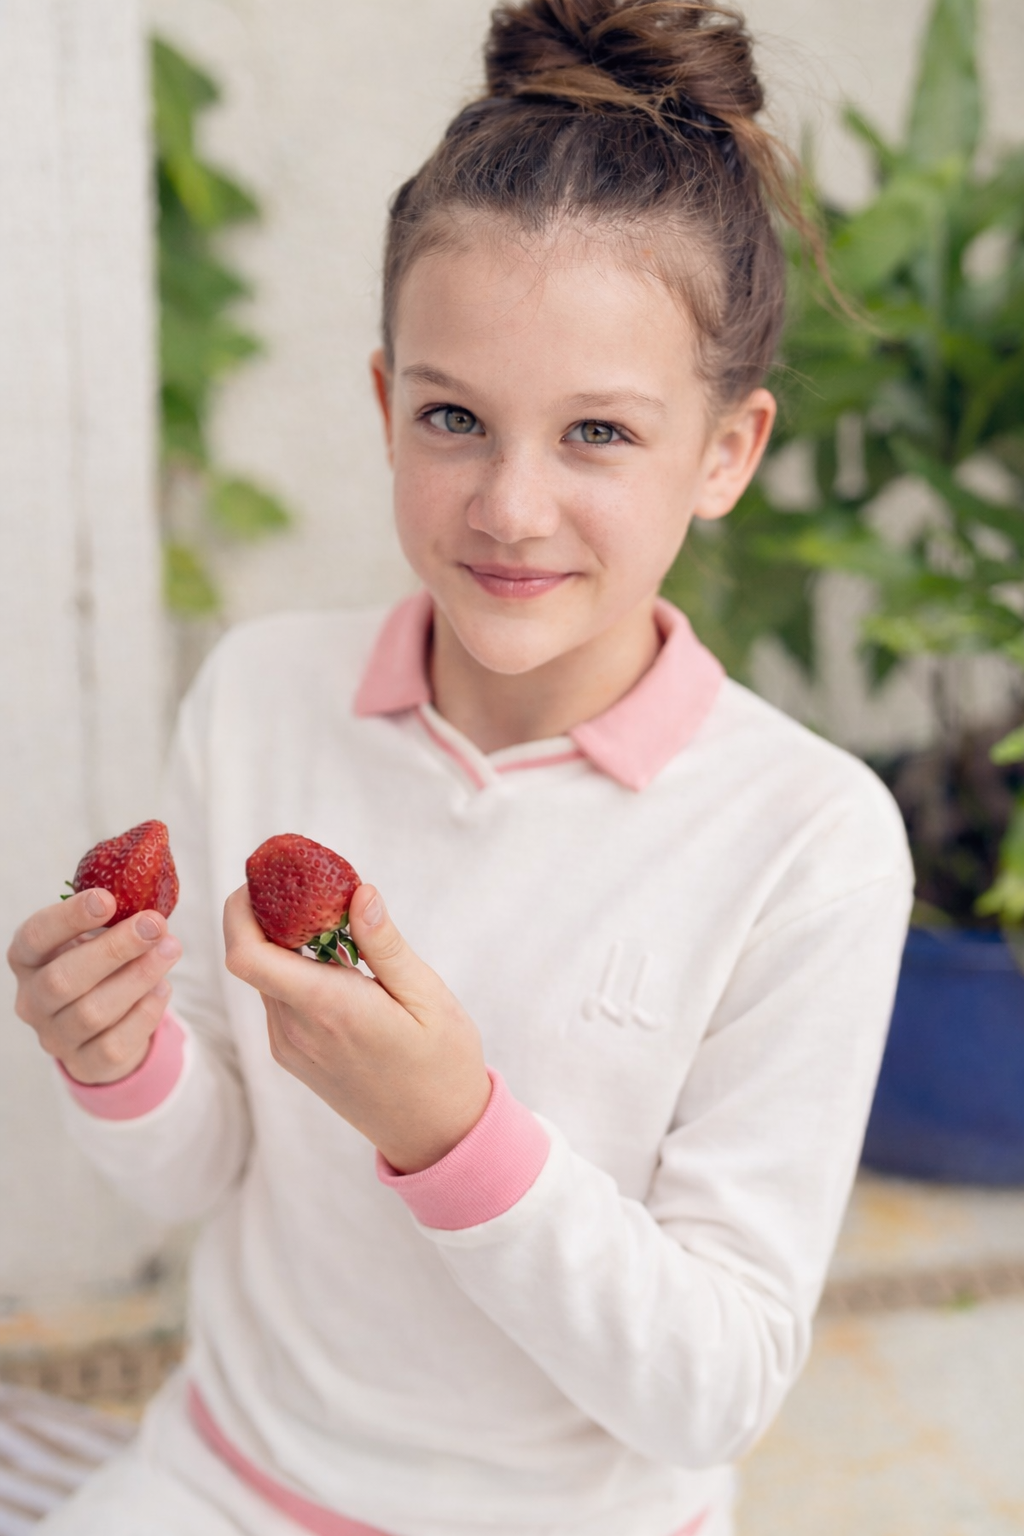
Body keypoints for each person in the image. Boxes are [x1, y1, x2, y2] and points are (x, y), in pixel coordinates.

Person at [8, 2, 913, 1533]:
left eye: (599, 435)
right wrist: (122, 1059)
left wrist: (448, 1129)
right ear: (382, 405)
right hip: (229, 1478)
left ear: (726, 452)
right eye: (454, 417)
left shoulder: (809, 841)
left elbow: (717, 1385)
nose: (509, 504)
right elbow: (199, 1168)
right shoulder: (258, 696)